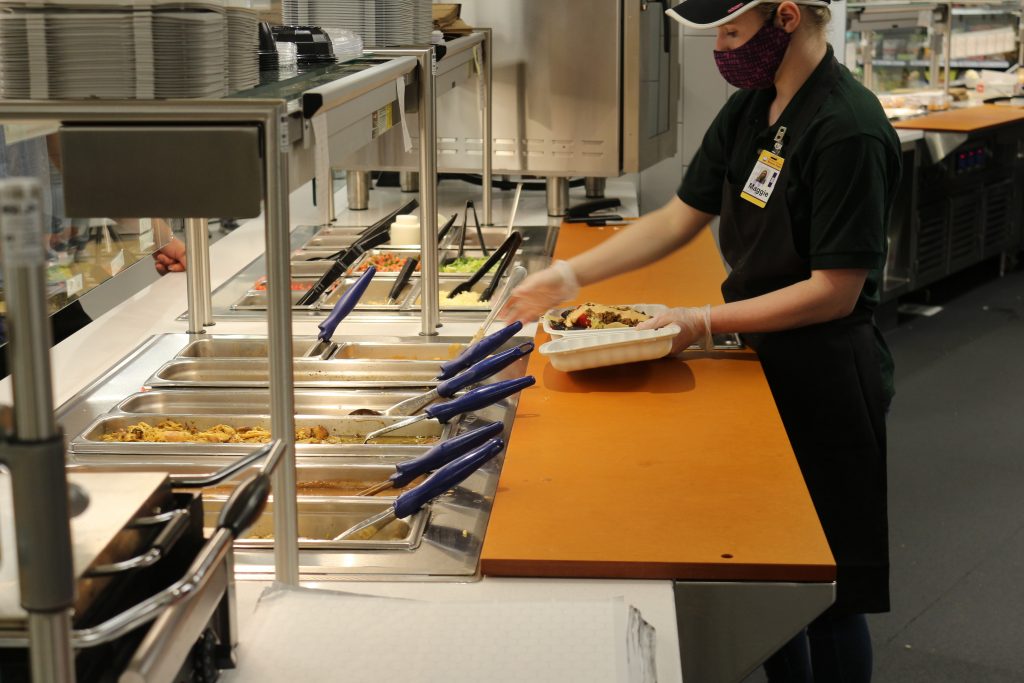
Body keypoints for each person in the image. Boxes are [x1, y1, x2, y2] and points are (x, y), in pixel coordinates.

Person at [501, 1, 900, 681]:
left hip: (827, 374)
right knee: (769, 565)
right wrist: (566, 276)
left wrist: (702, 321)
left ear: (786, 16)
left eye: (731, 30)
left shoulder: (847, 129)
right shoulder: (755, 107)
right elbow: (680, 217)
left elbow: (834, 288)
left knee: (827, 587)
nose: (721, 46)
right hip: (758, 363)